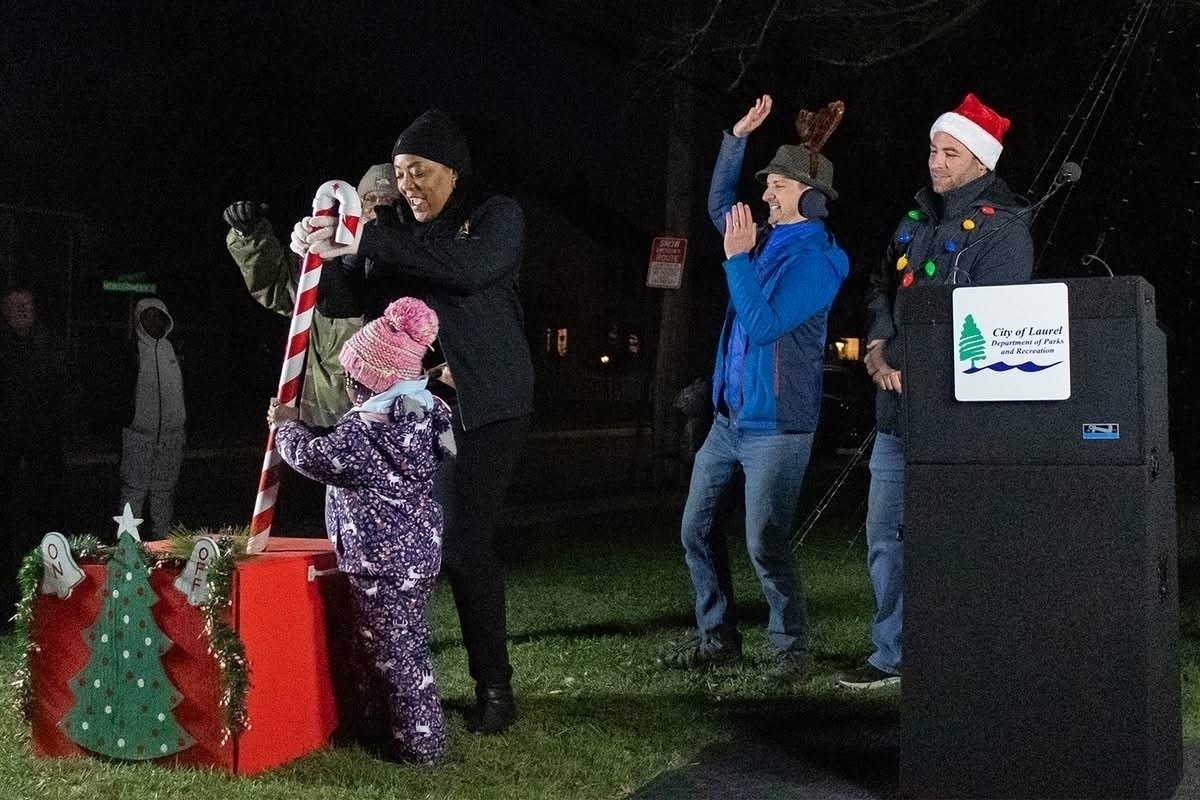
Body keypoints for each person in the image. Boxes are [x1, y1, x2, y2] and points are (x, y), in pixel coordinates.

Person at [291, 108, 535, 734]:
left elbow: (467, 271)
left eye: (420, 171)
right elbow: (348, 305)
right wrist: (324, 251)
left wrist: (368, 239)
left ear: (453, 170)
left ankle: (494, 688)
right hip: (406, 413)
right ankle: (391, 678)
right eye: (400, 174)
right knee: (393, 550)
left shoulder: (495, 218)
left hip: (483, 408)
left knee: (461, 543)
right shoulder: (391, 229)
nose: (408, 185)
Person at [838, 93, 1034, 690]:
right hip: (897, 416)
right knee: (884, 538)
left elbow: (984, 319)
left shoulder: (1004, 233)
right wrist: (876, 347)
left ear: (981, 161)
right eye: (932, 149)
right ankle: (890, 655)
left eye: (950, 152)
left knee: (955, 545)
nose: (935, 162)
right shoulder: (914, 220)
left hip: (959, 423)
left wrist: (903, 356)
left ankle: (959, 659)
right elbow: (879, 286)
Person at [656, 95, 849, 679]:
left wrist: (736, 260)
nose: (765, 194)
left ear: (811, 198)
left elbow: (764, 326)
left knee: (765, 541)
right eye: (767, 184)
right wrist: (736, 138)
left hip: (778, 429)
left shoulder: (821, 261)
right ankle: (717, 637)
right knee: (694, 530)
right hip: (728, 421)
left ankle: (791, 649)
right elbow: (718, 203)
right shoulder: (759, 237)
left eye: (779, 187)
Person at [268, 296, 455, 765]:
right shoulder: (427, 413)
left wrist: (287, 428)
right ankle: (381, 726)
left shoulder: (364, 435)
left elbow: (316, 457)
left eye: (350, 377)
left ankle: (422, 746)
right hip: (417, 555)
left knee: (398, 657)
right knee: (396, 642)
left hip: (378, 560)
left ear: (362, 383)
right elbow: (444, 447)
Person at [223, 163, 395, 427]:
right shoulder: (323, 259)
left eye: (389, 202)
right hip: (321, 420)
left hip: (384, 426)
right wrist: (250, 236)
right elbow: (277, 289)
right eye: (369, 199)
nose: (376, 208)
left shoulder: (413, 266)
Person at [0, 286, 68, 617]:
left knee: (45, 519)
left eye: (27, 304)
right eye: (15, 306)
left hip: (45, 451)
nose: (23, 310)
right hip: (8, 453)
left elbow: (67, 391)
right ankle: (10, 593)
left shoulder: (51, 344)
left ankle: (49, 588)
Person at [117, 297, 187, 539]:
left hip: (172, 437)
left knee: (164, 491)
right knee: (133, 491)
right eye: (147, 317)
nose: (153, 322)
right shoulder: (131, 351)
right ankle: (127, 546)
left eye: (158, 316)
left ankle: (162, 543)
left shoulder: (175, 350)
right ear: (139, 320)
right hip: (138, 436)